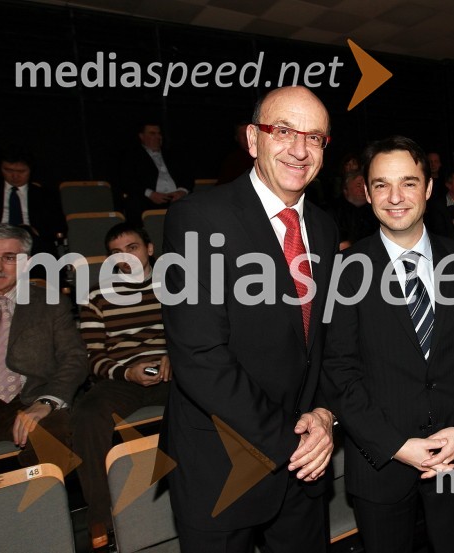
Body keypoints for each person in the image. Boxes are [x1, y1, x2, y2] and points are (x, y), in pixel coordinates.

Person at [161, 86, 338, 553]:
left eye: (315, 137)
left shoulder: (323, 226)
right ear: (252, 138)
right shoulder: (197, 217)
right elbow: (199, 355)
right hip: (223, 465)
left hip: (305, 465)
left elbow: (320, 341)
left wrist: (322, 413)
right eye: (283, 131)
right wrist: (290, 440)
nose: (300, 150)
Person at [322, 136, 454, 553]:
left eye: (408, 182)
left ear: (427, 189)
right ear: (367, 193)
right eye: (381, 185)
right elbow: (339, 372)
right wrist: (396, 446)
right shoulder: (346, 273)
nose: (395, 197)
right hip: (380, 460)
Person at [71, 222, 170, 549]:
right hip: (122, 379)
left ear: (150, 249)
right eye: (116, 253)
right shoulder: (95, 297)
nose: (124, 258)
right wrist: (126, 372)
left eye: (133, 248)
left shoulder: (176, 286)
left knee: (219, 389)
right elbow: (93, 358)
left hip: (175, 373)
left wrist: (177, 357)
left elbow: (200, 335)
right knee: (86, 413)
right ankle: (102, 518)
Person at [0, 224, 86, 468]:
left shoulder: (50, 303)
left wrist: (47, 402)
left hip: (30, 398)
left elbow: (74, 358)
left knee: (54, 439)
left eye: (9, 258)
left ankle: (41, 504)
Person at [0, 146, 66, 256]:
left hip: (33, 243)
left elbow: (60, 227)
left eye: (21, 171)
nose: (14, 176)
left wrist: (36, 232)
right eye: (8, 170)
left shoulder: (45, 195)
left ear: (31, 170)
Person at [117, 123, 191, 223]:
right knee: (134, 203)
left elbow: (188, 175)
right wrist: (151, 194)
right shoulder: (132, 156)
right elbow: (127, 180)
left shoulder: (172, 155)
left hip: (177, 198)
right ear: (142, 136)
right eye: (152, 133)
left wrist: (182, 191)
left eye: (159, 133)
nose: (158, 137)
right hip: (148, 199)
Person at [328, 170, 378, 250]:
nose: (363, 189)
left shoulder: (374, 211)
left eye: (366, 185)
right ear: (345, 189)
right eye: (358, 185)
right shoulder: (333, 212)